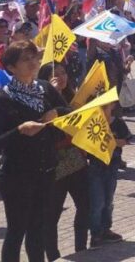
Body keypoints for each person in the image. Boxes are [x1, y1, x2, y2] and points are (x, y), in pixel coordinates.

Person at [0, 40, 67, 262]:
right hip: (16, 175)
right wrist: (20, 131)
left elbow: (66, 111)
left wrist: (56, 113)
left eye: (34, 57)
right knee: (17, 230)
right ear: (11, 67)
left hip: (46, 170)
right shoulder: (2, 99)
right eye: (26, 59)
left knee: (37, 229)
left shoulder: (45, 88)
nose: (33, 62)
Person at [38, 62, 91, 258]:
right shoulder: (41, 100)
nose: (61, 77)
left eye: (63, 72)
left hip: (76, 160)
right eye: (55, 74)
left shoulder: (73, 98)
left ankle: (81, 248)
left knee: (85, 205)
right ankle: (53, 254)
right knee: (52, 213)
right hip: (55, 164)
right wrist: (50, 93)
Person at [85, 102, 131, 248]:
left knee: (108, 200)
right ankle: (96, 233)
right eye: (100, 107)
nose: (103, 110)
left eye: (106, 106)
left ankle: (106, 229)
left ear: (112, 106)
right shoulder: (92, 123)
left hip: (112, 165)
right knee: (97, 202)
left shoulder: (118, 123)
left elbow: (125, 141)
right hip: (95, 166)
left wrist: (114, 141)